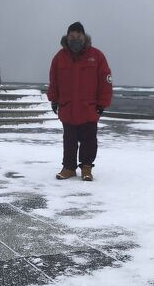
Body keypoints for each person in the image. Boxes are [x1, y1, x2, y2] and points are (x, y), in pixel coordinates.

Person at [48, 22, 113, 181]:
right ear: (67, 37)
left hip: (89, 109)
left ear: (84, 37)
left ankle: (86, 168)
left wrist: (102, 104)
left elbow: (106, 81)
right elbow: (53, 81)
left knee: (89, 141)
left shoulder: (97, 56)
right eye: (72, 36)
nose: (75, 39)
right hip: (68, 107)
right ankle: (69, 168)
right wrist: (54, 100)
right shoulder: (59, 57)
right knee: (69, 140)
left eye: (78, 36)